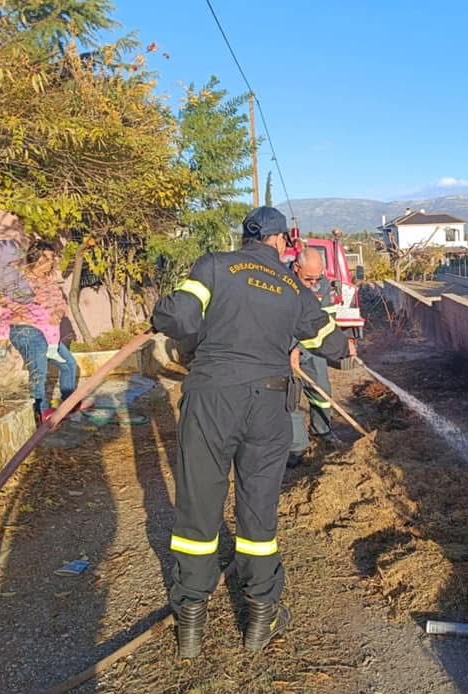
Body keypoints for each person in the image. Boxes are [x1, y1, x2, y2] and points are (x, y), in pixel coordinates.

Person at [150, 206, 351, 658]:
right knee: (258, 513)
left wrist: (158, 315)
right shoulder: (293, 286)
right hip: (268, 406)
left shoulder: (213, 265)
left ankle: (191, 625)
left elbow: (179, 318)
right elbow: (331, 343)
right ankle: (260, 617)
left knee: (198, 508)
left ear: (245, 238)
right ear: (280, 242)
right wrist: (342, 347)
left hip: (211, 400)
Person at [0, 241, 82, 423]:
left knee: (69, 364)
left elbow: (60, 304)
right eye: (44, 257)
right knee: (39, 371)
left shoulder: (50, 283)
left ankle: (68, 406)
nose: (48, 262)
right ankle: (40, 414)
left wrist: (58, 313)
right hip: (25, 330)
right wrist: (3, 339)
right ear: (34, 257)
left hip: (47, 333)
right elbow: (7, 309)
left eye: (51, 259)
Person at [286, 247, 338, 467]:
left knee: (321, 391)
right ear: (296, 268)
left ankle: (322, 430)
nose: (313, 283)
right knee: (290, 398)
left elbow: (327, 317)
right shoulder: (281, 282)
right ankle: (297, 447)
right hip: (286, 349)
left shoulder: (323, 285)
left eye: (317, 278)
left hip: (311, 349)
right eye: (308, 278)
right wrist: (294, 348)